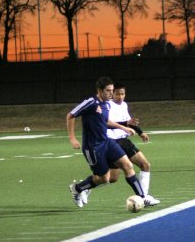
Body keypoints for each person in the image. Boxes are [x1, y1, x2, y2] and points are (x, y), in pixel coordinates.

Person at [66, 76, 159, 210]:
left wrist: (124, 127)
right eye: (108, 91)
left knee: (127, 165)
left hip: (107, 142)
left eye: (112, 90)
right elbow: (70, 115)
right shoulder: (91, 102)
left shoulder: (107, 104)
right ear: (100, 90)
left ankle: (142, 197)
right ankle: (77, 188)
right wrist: (72, 138)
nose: (111, 93)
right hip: (93, 147)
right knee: (104, 179)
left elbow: (106, 121)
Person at [106, 83, 160, 205]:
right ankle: (143, 197)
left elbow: (129, 121)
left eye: (122, 94)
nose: (120, 96)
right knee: (114, 177)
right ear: (112, 94)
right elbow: (107, 123)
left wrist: (140, 132)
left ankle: (143, 197)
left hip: (123, 141)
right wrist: (125, 124)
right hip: (113, 142)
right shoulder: (107, 106)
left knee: (143, 166)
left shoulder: (124, 105)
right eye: (117, 94)